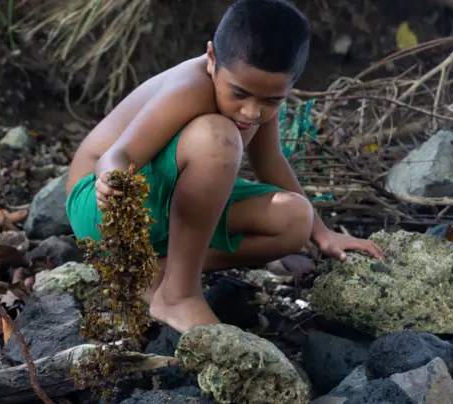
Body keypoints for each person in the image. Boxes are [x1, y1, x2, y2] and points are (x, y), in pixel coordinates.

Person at [65, 0, 383, 333]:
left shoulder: (257, 100)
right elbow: (119, 154)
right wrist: (111, 181)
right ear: (212, 59)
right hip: (104, 207)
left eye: (271, 100)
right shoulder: (190, 88)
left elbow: (270, 161)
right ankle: (178, 294)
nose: (252, 112)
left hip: (167, 210)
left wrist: (322, 233)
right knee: (217, 137)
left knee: (295, 219)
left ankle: (157, 273)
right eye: (239, 93)